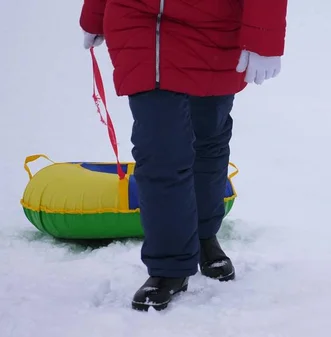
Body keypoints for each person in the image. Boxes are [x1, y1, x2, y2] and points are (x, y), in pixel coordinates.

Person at [79, 0, 288, 311]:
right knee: (159, 150)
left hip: (215, 25)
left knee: (207, 140)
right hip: (139, 23)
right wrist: (95, 13)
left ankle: (203, 235)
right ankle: (169, 266)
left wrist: (264, 39)